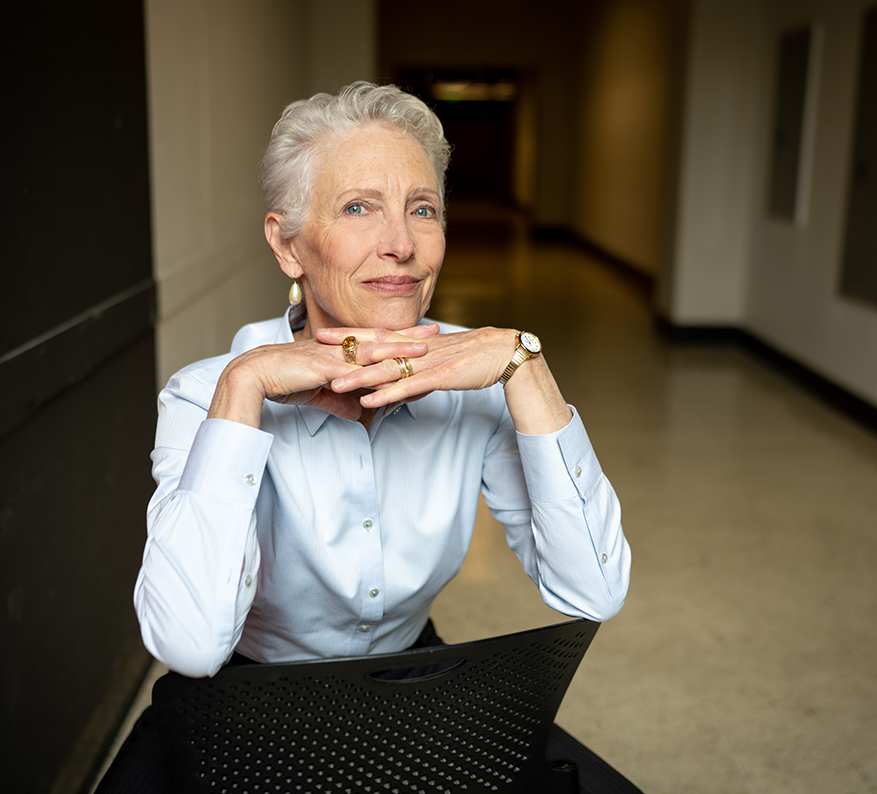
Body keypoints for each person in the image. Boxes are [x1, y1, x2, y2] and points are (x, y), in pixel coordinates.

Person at [97, 81, 631, 791]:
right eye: (358, 208)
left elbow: (591, 591)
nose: (402, 245)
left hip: (413, 684)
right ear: (288, 245)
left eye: (422, 209)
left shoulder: (479, 380)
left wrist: (524, 369)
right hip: (248, 704)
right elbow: (191, 647)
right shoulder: (206, 394)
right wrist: (243, 388)